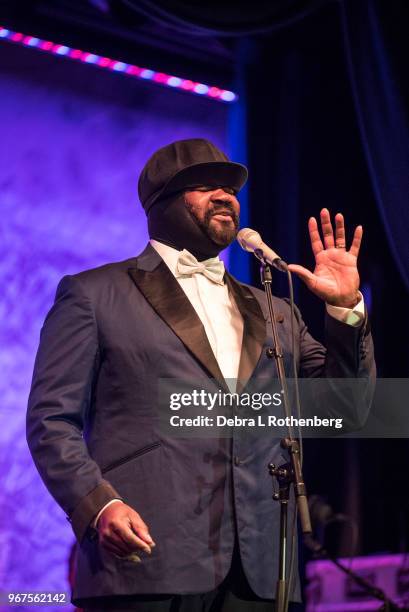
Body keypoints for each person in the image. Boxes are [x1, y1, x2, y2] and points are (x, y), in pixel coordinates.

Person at [27, 138, 375, 611]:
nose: (225, 195)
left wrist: (343, 309)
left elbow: (345, 409)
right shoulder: (94, 294)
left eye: (230, 187)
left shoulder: (275, 308)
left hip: (262, 574)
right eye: (205, 185)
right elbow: (51, 420)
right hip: (146, 562)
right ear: (161, 201)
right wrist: (97, 504)